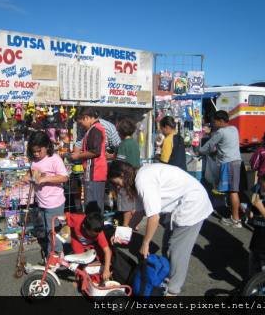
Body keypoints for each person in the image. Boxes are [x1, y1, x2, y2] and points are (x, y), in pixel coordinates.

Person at [108, 160, 213, 296]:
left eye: (117, 183)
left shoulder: (142, 180)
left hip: (193, 205)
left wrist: (145, 243)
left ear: (122, 175)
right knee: (167, 247)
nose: (118, 187)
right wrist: (122, 234)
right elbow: (140, 212)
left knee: (177, 252)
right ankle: (165, 277)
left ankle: (173, 290)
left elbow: (154, 217)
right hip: (181, 205)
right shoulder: (138, 178)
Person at [26, 131, 69, 264]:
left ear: (47, 146)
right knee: (47, 230)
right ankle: (52, 253)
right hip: (42, 202)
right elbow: (33, 173)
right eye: (34, 151)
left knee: (54, 232)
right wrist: (27, 178)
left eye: (39, 151)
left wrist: (45, 179)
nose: (36, 154)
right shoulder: (34, 160)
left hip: (54, 202)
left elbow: (64, 177)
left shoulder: (54, 159)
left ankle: (56, 256)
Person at [199, 110, 243, 229]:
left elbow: (208, 146)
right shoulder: (234, 129)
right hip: (236, 161)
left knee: (233, 191)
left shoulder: (221, 132)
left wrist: (199, 151)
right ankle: (235, 216)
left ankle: (235, 219)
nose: (213, 124)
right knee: (232, 190)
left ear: (221, 121)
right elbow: (223, 145)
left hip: (229, 163)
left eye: (215, 122)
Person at [71, 108, 108, 213]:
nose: (81, 125)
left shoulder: (95, 130)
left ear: (86, 118)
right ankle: (96, 227)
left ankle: (95, 228)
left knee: (92, 205)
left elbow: (96, 152)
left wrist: (78, 156)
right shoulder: (95, 129)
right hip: (95, 173)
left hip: (94, 173)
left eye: (81, 122)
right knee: (95, 204)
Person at [65, 211, 112, 281]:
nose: (96, 235)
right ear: (84, 227)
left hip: (92, 244)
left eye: (97, 234)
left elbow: (107, 251)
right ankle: (80, 277)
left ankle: (98, 270)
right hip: (77, 241)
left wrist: (106, 269)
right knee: (80, 261)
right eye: (93, 234)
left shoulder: (99, 233)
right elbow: (65, 216)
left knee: (103, 257)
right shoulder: (77, 219)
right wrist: (62, 219)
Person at [113, 117, 141, 228]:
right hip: (136, 174)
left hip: (125, 176)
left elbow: (120, 163)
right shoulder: (134, 143)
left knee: (125, 203)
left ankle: (125, 225)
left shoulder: (123, 145)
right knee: (133, 201)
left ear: (121, 132)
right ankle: (134, 223)